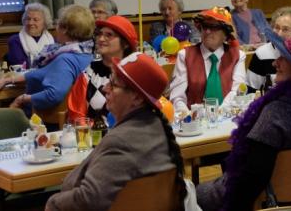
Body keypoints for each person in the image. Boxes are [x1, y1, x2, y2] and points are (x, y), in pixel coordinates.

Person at [196, 31, 291, 210]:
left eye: (283, 58)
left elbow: (251, 178)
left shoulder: (276, 111)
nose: (274, 62)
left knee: (191, 196)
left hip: (268, 200)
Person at [45, 53, 186, 211]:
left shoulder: (122, 141)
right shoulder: (155, 126)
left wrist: (53, 203)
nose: (105, 88)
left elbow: (89, 198)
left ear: (137, 99)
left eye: (113, 84)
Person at [0, 5, 94, 130]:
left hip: (51, 123)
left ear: (65, 29)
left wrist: (22, 99)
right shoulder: (83, 52)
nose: (56, 28)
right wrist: (9, 80)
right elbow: (42, 72)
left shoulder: (65, 59)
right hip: (74, 118)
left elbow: (53, 95)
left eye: (58, 24)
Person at [169, 7, 246, 114]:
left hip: (227, 116)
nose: (207, 31)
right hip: (194, 122)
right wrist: (187, 115)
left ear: (225, 34)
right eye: (204, 26)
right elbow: (177, 96)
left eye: (213, 27)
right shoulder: (185, 55)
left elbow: (237, 91)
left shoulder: (237, 56)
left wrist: (219, 113)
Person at [66, 16, 137, 122]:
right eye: (99, 34)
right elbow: (76, 114)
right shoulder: (89, 72)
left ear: (125, 43)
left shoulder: (134, 73)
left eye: (109, 35)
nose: (101, 39)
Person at [246, 7, 291, 92]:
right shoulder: (262, 54)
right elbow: (251, 91)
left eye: (285, 29)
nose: (279, 33)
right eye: (276, 27)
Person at [5, 3, 54, 67]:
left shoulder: (51, 40)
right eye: (28, 19)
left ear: (45, 22)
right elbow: (19, 66)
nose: (30, 23)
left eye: (35, 20)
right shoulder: (15, 41)